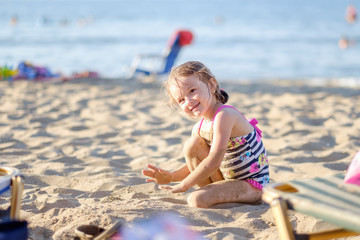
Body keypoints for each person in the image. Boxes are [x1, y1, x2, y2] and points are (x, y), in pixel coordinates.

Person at [142, 61, 269, 208]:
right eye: (181, 100)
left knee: (196, 200)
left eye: (192, 91)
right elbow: (200, 164)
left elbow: (214, 160)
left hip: (252, 185)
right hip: (228, 180)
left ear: (212, 84)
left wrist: (184, 185)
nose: (188, 101)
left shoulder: (225, 115)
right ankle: (212, 194)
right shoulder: (199, 127)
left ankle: (213, 196)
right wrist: (171, 176)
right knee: (192, 146)